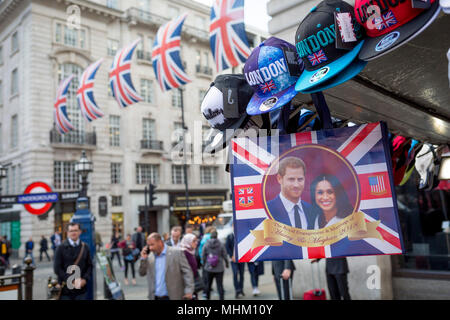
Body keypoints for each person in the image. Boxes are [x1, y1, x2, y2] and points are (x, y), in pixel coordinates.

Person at [139, 232, 194, 300]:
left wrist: (189, 290)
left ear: (160, 242)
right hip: (155, 297)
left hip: (172, 296)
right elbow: (142, 273)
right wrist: (143, 259)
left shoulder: (176, 252)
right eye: (149, 245)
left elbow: (187, 272)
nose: (150, 248)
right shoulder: (150, 257)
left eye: (152, 245)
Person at [266, 157, 315, 229]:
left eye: (300, 179)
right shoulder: (267, 209)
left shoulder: (312, 211)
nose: (296, 185)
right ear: (279, 179)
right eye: (291, 179)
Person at [54, 222, 93, 300]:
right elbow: (57, 269)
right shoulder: (60, 248)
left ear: (80, 232)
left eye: (75, 230)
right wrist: (71, 280)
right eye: (71, 231)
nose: (73, 233)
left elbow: (90, 266)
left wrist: (84, 279)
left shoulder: (85, 247)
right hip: (65, 291)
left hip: (81, 290)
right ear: (67, 232)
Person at [202, 230, 229, 300]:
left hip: (209, 268)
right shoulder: (220, 244)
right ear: (217, 236)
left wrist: (205, 263)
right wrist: (227, 263)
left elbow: (203, 255)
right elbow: (225, 255)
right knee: (220, 285)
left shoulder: (206, 244)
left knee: (208, 285)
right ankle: (221, 298)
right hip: (219, 268)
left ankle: (207, 298)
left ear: (210, 236)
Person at [180, 233, 201, 299]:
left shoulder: (191, 251)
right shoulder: (184, 253)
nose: (196, 243)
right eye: (194, 241)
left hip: (192, 284)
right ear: (188, 241)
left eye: (196, 241)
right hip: (187, 286)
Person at [225, 231, 245, 298]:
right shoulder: (230, 236)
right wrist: (231, 256)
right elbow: (227, 247)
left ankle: (241, 289)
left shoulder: (241, 234)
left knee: (242, 274)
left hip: (241, 258)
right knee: (235, 273)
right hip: (233, 259)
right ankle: (237, 290)